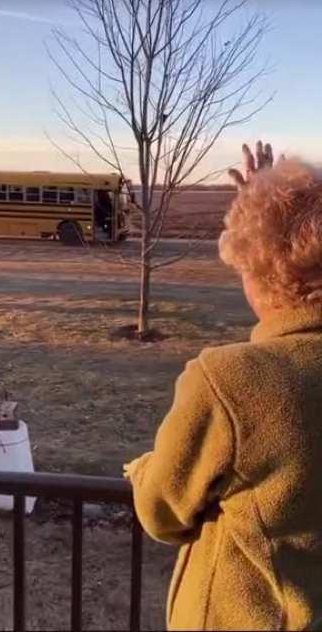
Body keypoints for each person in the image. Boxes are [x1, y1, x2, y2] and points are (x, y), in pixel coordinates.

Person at [123, 141, 322, 631]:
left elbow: (162, 512)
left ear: (257, 273)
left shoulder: (228, 380)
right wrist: (269, 203)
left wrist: (141, 468)